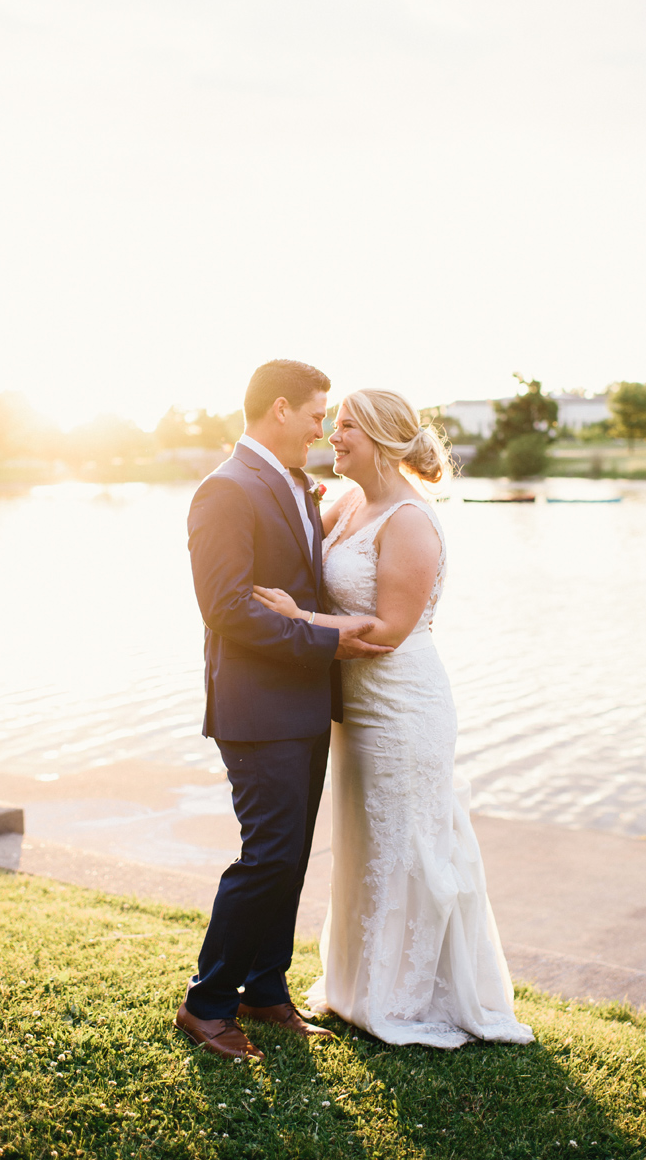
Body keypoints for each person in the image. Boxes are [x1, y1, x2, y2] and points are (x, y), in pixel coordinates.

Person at [254, 389, 534, 1048]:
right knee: (366, 844)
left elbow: (387, 630)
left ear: (378, 438)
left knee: (409, 846)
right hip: (354, 710)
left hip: (404, 707)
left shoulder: (410, 519)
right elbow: (296, 545)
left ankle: (405, 999)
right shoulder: (348, 502)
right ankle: (356, 990)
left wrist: (299, 621)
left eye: (346, 427)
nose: (333, 437)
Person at [174, 360, 392, 1062]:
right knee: (266, 854)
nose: (322, 428)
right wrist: (328, 641)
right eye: (315, 414)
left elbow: (303, 580)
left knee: (291, 855)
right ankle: (207, 1003)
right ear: (278, 409)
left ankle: (265, 991)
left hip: (301, 704)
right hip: (256, 705)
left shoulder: (294, 483)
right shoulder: (225, 490)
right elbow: (227, 608)